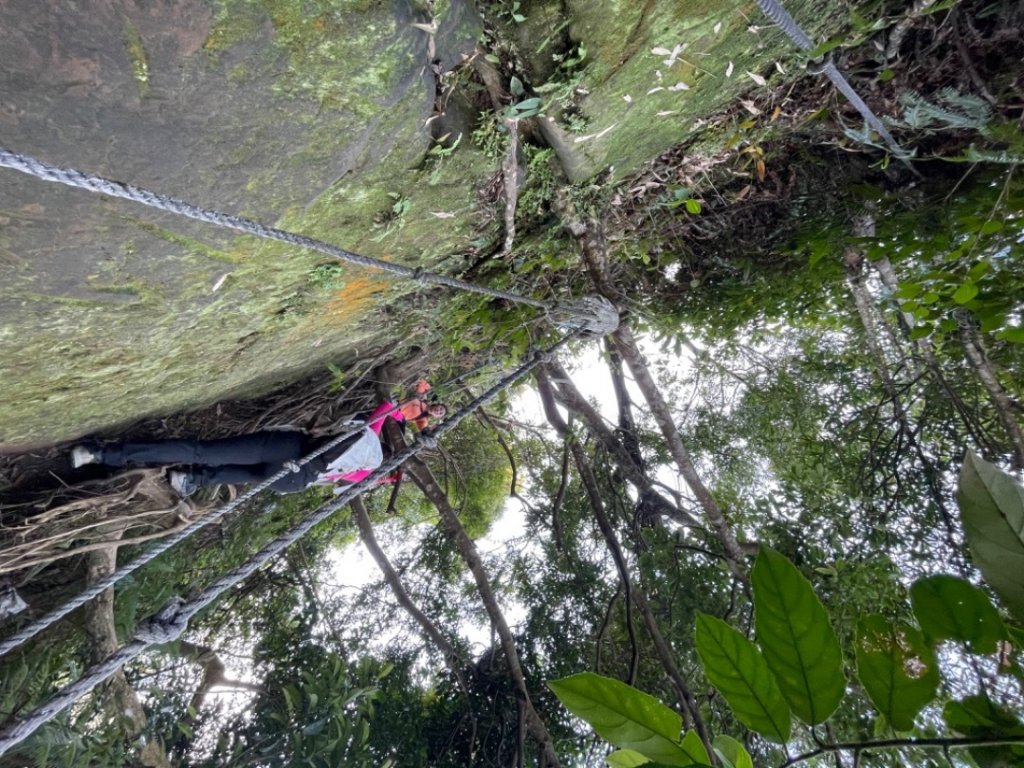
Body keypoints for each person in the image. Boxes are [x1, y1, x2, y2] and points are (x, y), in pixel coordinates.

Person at [70, 389, 446, 497]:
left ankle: (102, 453)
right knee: (241, 473)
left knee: (204, 449)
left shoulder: (375, 435)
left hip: (289, 451)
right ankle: (190, 481)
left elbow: (384, 408)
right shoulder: (369, 472)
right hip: (293, 481)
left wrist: (411, 403)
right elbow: (340, 478)